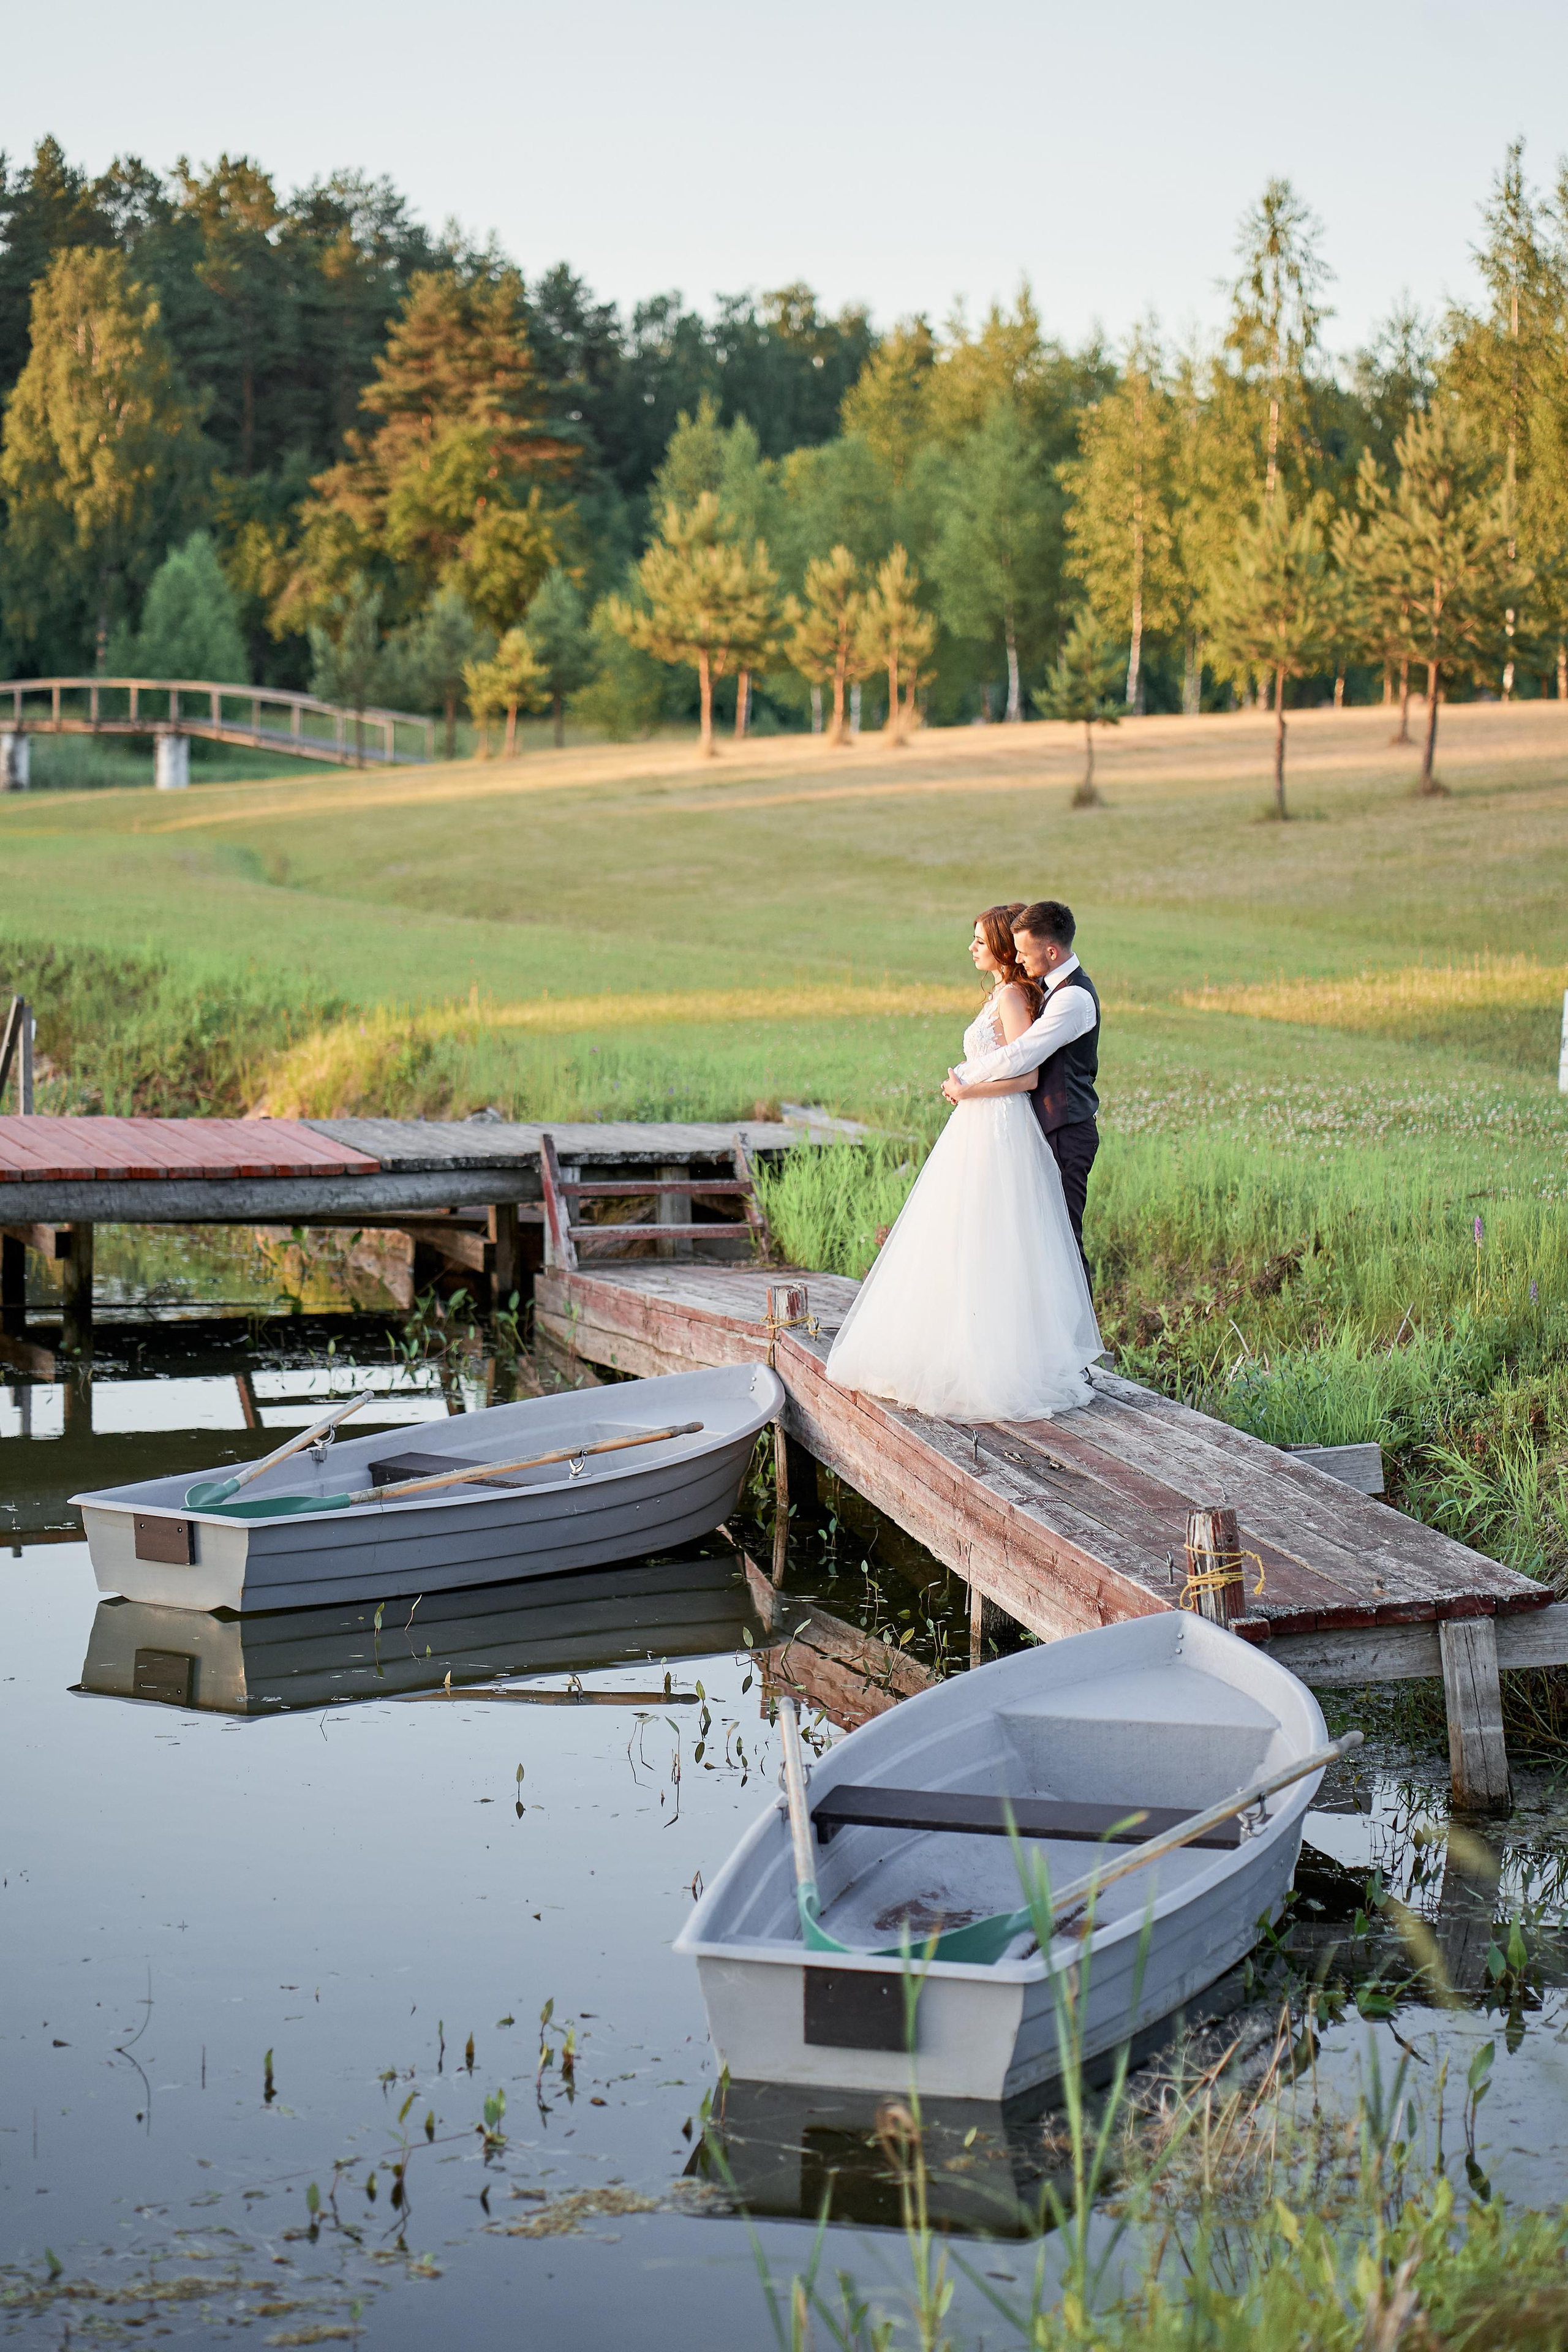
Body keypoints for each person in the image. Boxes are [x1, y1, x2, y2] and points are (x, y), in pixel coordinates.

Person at [824, 904, 1101, 1423]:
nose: (975, 949)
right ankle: (998, 1351)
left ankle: (1062, 1359)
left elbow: (1026, 1065)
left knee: (1055, 1242)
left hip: (1052, 1128)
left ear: (1045, 949)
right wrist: (968, 1085)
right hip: (1003, 1126)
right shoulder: (1036, 991)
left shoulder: (1064, 998)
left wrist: (967, 1081)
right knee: (988, 1239)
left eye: (984, 941)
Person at [941, 899, 1099, 1286]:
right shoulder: (1045, 989)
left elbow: (1022, 1056)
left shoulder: (1072, 998)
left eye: (1024, 952)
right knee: (1035, 1241)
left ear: (1051, 950)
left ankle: (1081, 1342)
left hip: (1065, 1129)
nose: (1018, 959)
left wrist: (965, 1078)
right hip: (1038, 1126)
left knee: (1063, 1242)